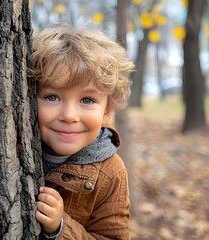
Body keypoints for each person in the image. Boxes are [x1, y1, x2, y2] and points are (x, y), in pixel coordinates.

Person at [28, 25, 135, 240]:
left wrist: (60, 227)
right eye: (52, 97)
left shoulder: (111, 173)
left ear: (107, 111)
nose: (69, 115)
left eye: (87, 100)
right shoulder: (18, 148)